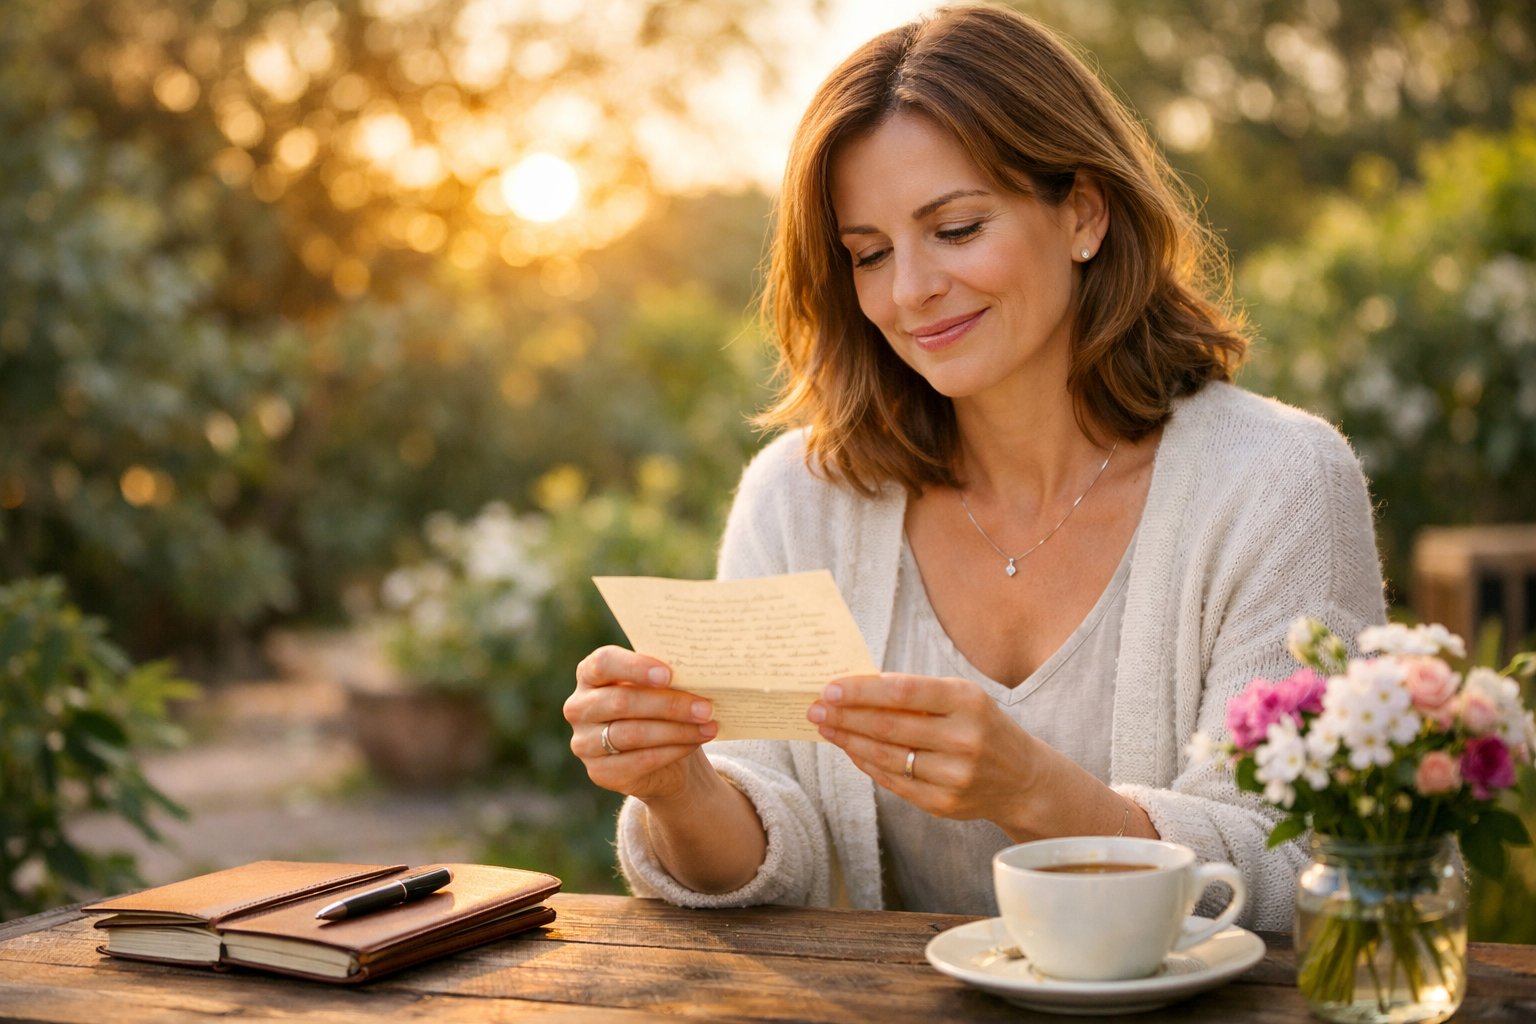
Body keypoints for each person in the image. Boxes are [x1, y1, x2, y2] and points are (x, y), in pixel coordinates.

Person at [562, 2, 1385, 930]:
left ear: (1082, 211)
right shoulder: (800, 499)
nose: (910, 291)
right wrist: (679, 789)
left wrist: (1034, 791)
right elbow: (771, 857)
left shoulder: (1279, 483)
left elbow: (1310, 858)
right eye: (869, 254)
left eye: (955, 230)